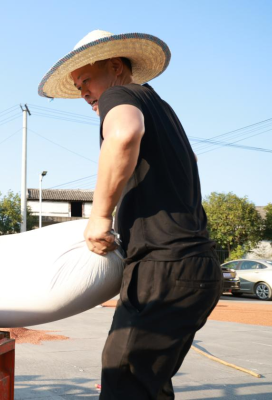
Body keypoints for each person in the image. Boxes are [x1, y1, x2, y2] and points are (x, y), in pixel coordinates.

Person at [38, 30, 222, 399]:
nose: (84, 93)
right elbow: (191, 161)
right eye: (77, 86)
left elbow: (123, 134)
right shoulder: (162, 109)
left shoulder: (120, 95)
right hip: (196, 267)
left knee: (125, 381)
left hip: (164, 268)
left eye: (86, 79)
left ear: (116, 67)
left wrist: (100, 216)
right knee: (147, 385)